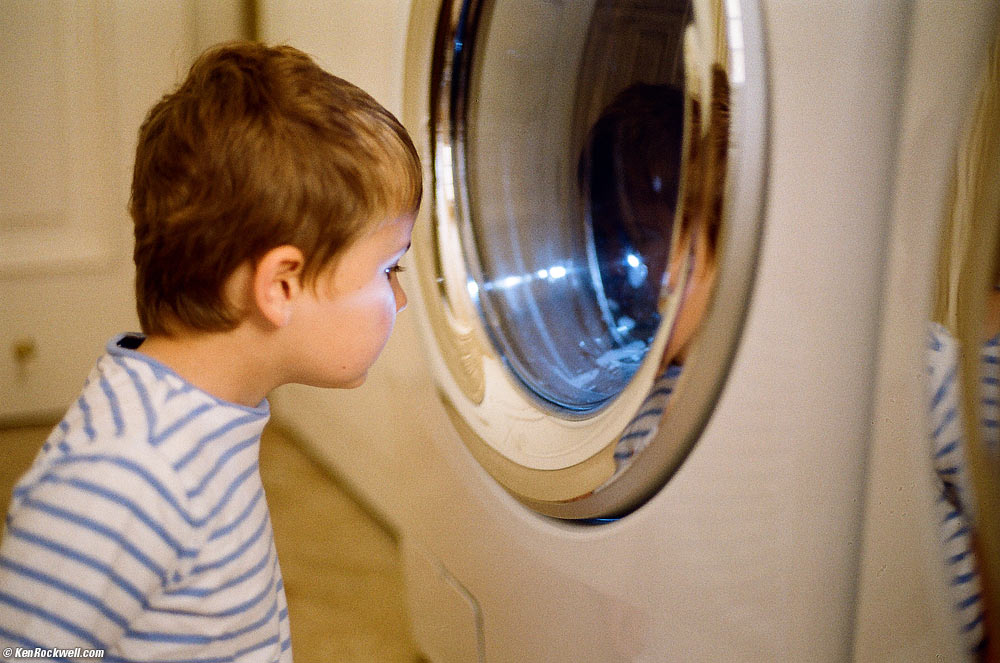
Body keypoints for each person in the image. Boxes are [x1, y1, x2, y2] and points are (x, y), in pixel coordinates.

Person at [0, 41, 421, 661]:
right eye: (388, 269)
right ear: (281, 286)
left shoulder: (203, 420)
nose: (401, 298)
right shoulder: (125, 476)